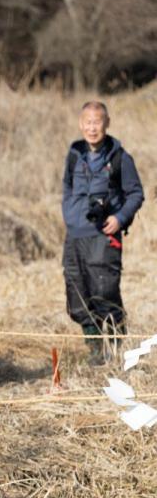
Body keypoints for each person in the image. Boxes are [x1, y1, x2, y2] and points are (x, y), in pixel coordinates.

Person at [61, 101, 144, 362]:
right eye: (88, 122)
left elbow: (136, 194)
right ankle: (96, 350)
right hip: (75, 235)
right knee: (77, 294)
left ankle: (119, 347)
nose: (92, 128)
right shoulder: (74, 154)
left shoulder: (120, 158)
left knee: (104, 292)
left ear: (107, 123)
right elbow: (66, 186)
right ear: (80, 124)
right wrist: (69, 213)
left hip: (104, 236)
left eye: (97, 122)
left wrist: (120, 218)